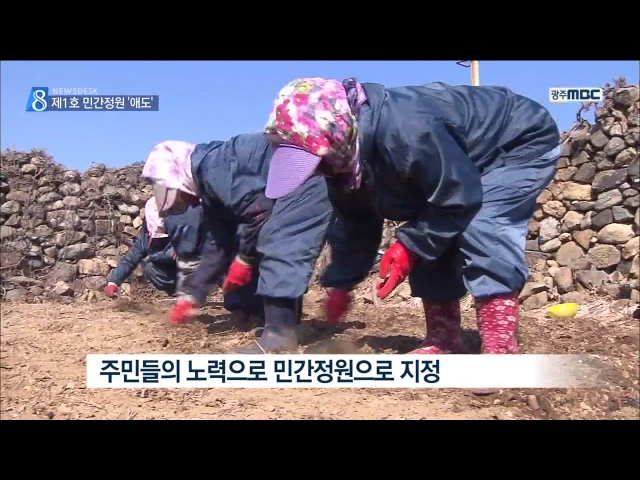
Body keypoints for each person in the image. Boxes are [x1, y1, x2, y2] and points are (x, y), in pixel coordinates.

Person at [261, 76, 561, 355]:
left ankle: (500, 345)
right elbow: (355, 225)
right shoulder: (343, 166)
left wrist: (409, 246)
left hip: (514, 143)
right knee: (427, 229)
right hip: (452, 167)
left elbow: (457, 197)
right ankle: (444, 339)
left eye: (314, 160)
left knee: (483, 224)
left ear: (335, 133)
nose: (315, 171)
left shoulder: (407, 131)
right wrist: (341, 283)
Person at [141, 134, 332, 353]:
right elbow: (217, 246)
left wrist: (244, 258)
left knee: (277, 241)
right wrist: (193, 294)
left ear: (177, 176)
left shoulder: (215, 169)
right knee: (254, 242)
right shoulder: (209, 190)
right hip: (296, 176)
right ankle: (275, 320)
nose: (186, 203)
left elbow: (259, 213)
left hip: (308, 171)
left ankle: (279, 336)